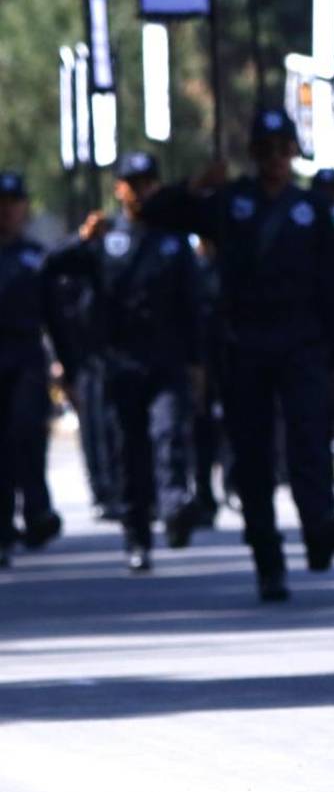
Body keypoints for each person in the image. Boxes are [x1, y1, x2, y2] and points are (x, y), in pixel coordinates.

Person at [144, 111, 334, 601]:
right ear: (253, 154)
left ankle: (319, 522)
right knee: (253, 457)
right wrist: (195, 185)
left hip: (302, 342)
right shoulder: (228, 202)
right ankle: (268, 559)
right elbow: (157, 213)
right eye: (266, 149)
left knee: (308, 443)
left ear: (293, 154)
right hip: (245, 343)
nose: (275, 159)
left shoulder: (313, 210)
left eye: (283, 149)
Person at [46, 152, 205, 570]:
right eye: (133, 183)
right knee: (129, 452)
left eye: (148, 181)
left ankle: (174, 508)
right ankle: (138, 535)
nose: (141, 190)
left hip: (166, 361)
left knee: (168, 434)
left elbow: (194, 305)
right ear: (120, 188)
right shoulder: (105, 237)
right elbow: (51, 268)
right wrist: (82, 239)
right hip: (120, 363)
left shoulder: (173, 241)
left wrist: (198, 362)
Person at [0, 170, 61, 566]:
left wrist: (67, 366)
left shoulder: (36, 257)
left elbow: (57, 319)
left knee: (26, 433)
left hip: (25, 358)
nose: (6, 212)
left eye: (13, 204)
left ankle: (36, 508)